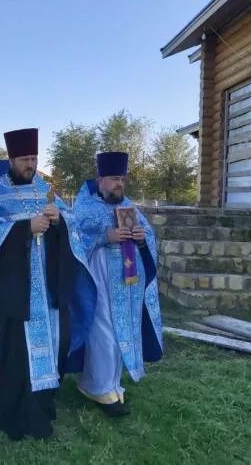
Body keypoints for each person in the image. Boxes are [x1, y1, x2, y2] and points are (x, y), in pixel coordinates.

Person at [0, 128, 87, 441]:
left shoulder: (44, 190)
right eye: (25, 158)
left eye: (34, 158)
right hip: (14, 292)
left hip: (48, 290)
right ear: (11, 159)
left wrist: (58, 221)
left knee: (53, 348)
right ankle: (12, 416)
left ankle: (42, 411)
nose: (30, 164)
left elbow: (73, 229)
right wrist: (24, 229)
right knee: (14, 356)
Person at [69, 152, 163, 417]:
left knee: (121, 332)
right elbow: (74, 240)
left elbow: (149, 241)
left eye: (122, 178)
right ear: (100, 181)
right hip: (96, 280)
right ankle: (97, 387)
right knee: (104, 333)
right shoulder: (85, 208)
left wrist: (142, 240)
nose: (119, 183)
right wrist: (105, 236)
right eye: (113, 178)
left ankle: (110, 384)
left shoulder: (130, 207)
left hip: (126, 283)